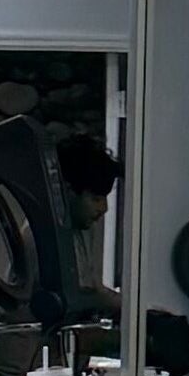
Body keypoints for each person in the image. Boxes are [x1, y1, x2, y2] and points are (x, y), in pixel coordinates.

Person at [56, 134, 123, 320]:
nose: (104, 208)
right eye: (95, 199)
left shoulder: (78, 229)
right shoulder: (48, 235)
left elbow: (93, 288)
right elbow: (81, 297)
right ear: (68, 191)